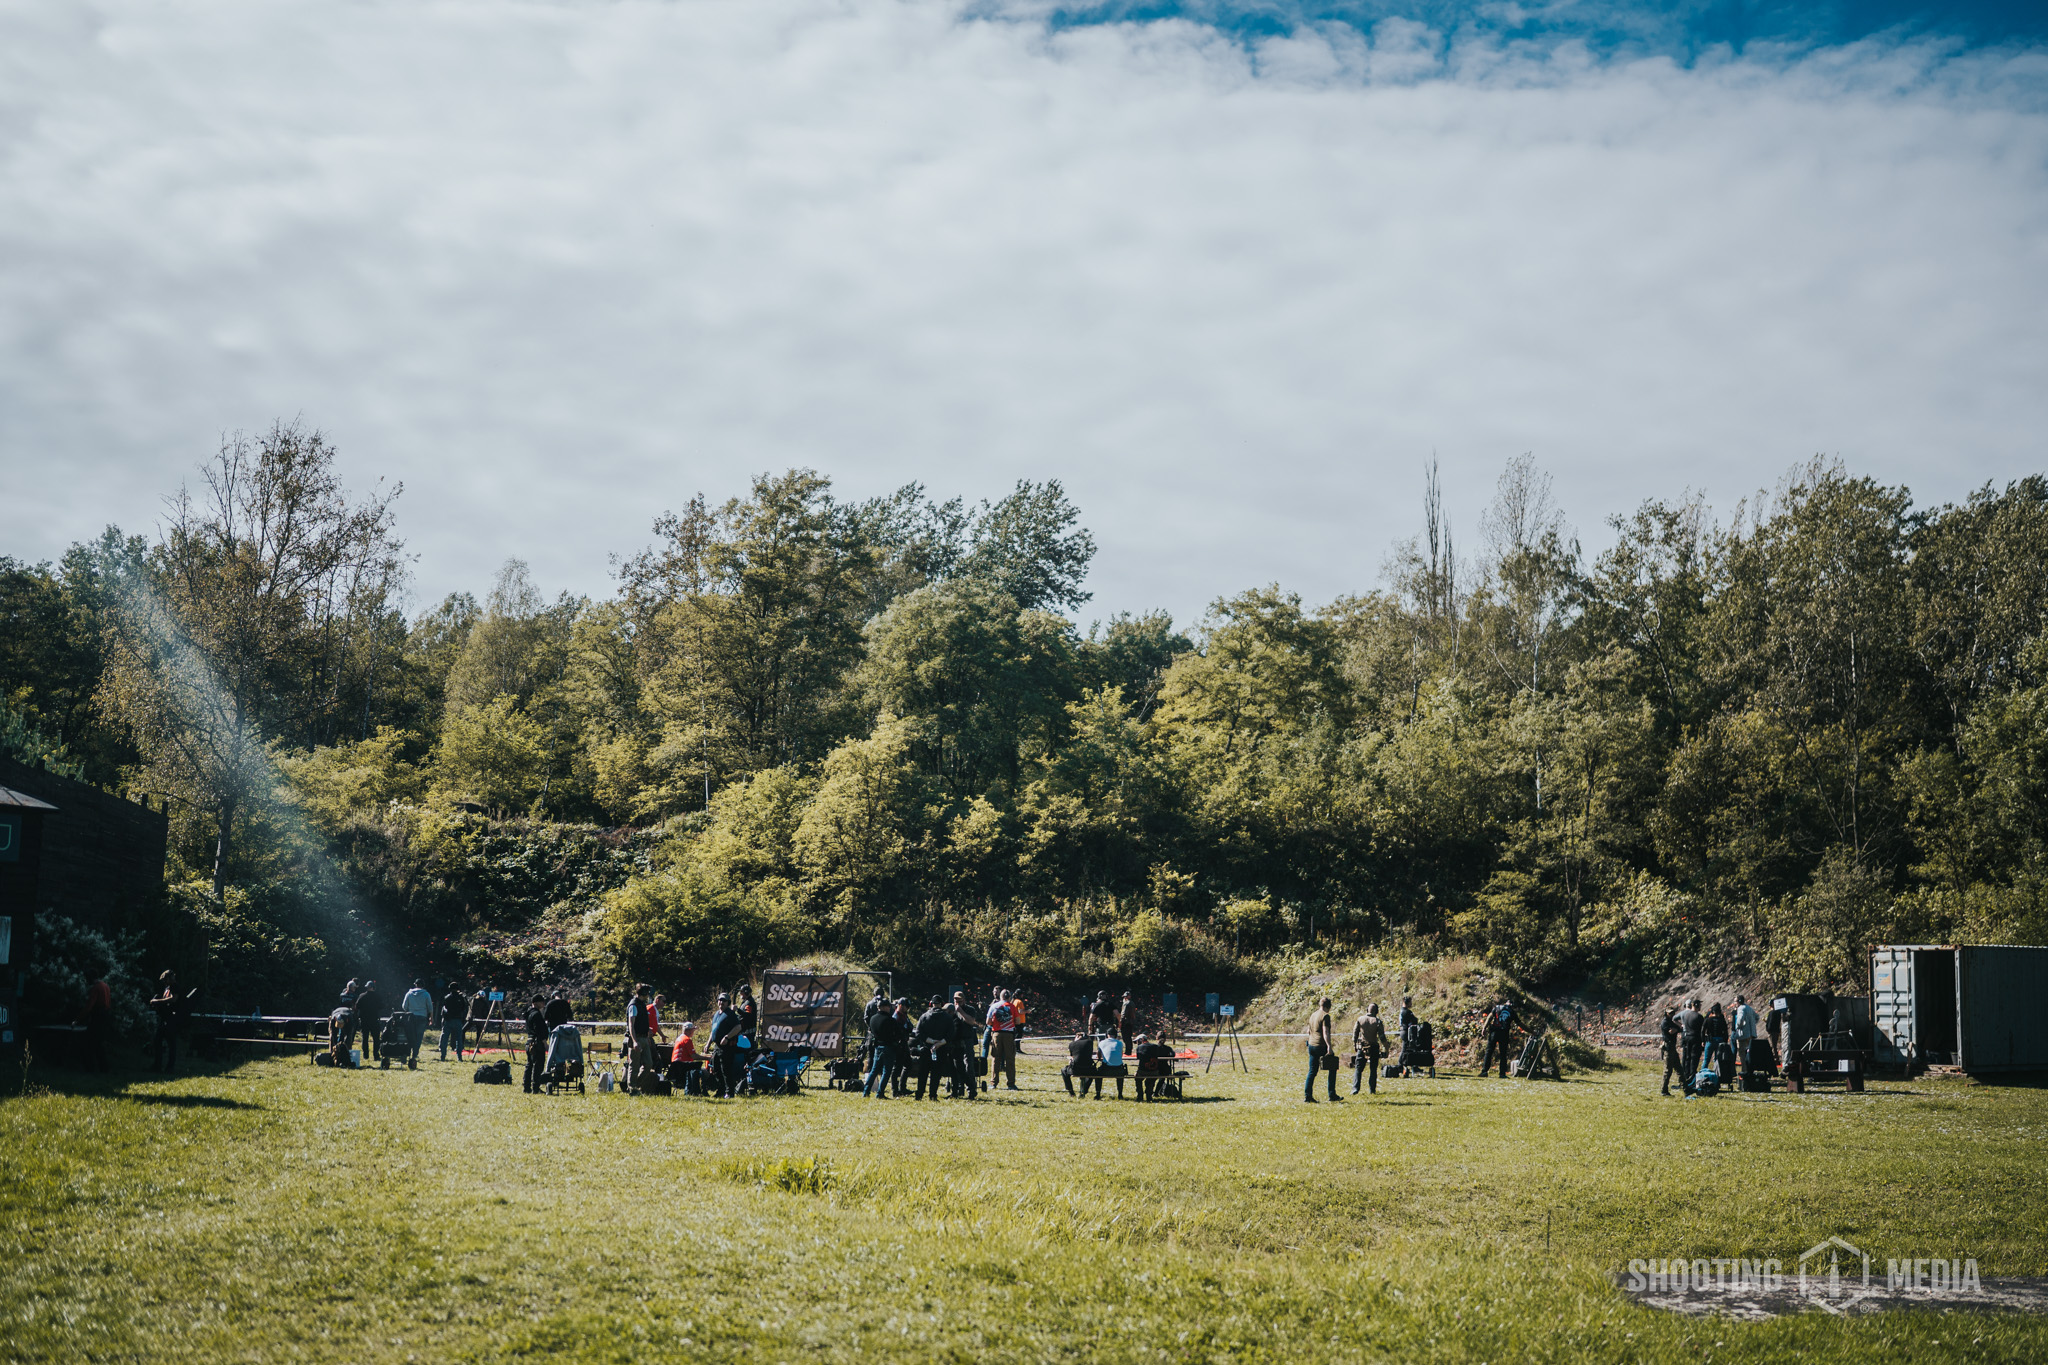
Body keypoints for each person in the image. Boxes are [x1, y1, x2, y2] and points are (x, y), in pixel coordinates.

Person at [866, 997, 909, 1098]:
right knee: (886, 1072)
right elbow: (898, 1034)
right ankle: (880, 1093)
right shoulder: (890, 1020)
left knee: (874, 1071)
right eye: (889, 1006)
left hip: (877, 1047)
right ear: (885, 1007)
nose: (890, 1008)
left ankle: (866, 1091)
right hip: (889, 1047)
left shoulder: (872, 1019)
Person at [913, 995, 952, 1100]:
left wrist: (930, 1041)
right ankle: (933, 1095)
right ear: (942, 1004)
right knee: (936, 1073)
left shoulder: (924, 1016)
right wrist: (939, 1043)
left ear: (931, 1004)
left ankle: (919, 1094)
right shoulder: (947, 1017)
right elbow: (951, 1034)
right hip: (941, 1048)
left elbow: (918, 1033)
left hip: (926, 1048)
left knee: (923, 1073)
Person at [1304, 996, 1339, 1102]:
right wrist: (1329, 1046)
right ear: (1328, 1006)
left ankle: (1308, 1096)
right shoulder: (1325, 1016)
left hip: (1311, 1045)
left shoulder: (1313, 1015)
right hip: (1321, 1045)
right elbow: (1325, 1032)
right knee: (1333, 1067)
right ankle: (1332, 1094)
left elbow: (1308, 1031)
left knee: (1312, 1071)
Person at [986, 989, 1021, 1091]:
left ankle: (993, 1083)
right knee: (1010, 1059)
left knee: (996, 1058)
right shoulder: (1012, 1006)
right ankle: (1011, 1084)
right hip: (1009, 1035)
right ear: (1009, 997)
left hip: (996, 1034)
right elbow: (1018, 1021)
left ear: (1000, 996)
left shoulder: (994, 1006)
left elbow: (988, 1022)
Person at [707, 992, 741, 1096]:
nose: (721, 1002)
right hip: (717, 1046)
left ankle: (729, 1092)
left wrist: (727, 1037)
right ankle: (721, 1090)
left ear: (728, 1003)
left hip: (727, 1047)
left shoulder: (730, 1014)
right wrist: (708, 1044)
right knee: (716, 1069)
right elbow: (713, 1030)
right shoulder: (717, 1014)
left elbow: (738, 1027)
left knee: (726, 1070)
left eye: (724, 1001)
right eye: (720, 1000)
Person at [148, 970, 183, 1073]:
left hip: (172, 1018)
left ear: (169, 978)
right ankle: (157, 1065)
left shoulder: (175, 987)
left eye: (165, 980)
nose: (164, 982)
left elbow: (173, 999)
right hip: (165, 1017)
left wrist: (157, 1001)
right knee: (158, 1040)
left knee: (171, 1043)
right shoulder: (168, 987)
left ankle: (169, 1067)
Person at [624, 984, 655, 1094]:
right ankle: (632, 1088)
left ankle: (636, 1085)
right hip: (636, 1038)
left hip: (644, 1038)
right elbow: (631, 1025)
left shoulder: (641, 1004)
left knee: (649, 1064)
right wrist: (635, 1041)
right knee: (634, 1065)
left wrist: (647, 1033)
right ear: (644, 993)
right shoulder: (633, 1005)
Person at [1351, 1002, 1387, 1095]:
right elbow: (1382, 1037)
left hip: (1362, 1046)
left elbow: (1355, 1033)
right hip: (1373, 1047)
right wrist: (1386, 1048)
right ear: (1376, 1011)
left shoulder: (1360, 1019)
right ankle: (1372, 1089)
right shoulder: (1377, 1021)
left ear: (1367, 1010)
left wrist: (1354, 1044)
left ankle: (1355, 1088)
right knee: (1373, 1069)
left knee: (1358, 1068)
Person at [399, 979, 433, 1069]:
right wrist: (431, 1018)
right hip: (422, 1017)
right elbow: (430, 1007)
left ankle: (406, 1053)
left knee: (409, 1036)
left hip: (411, 1017)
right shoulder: (426, 994)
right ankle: (414, 1054)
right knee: (418, 1037)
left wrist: (409, 1010)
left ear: (415, 984)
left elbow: (404, 1006)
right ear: (423, 985)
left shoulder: (409, 993)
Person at [82, 976, 113, 1072]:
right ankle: (104, 1067)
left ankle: (90, 1067)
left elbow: (90, 1004)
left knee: (89, 1042)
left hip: (98, 1015)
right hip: (105, 1014)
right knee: (99, 1042)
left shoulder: (96, 988)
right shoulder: (105, 986)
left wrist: (80, 1017)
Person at [1479, 997, 1515, 1078]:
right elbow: (1520, 1023)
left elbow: (1489, 1017)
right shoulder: (1511, 1011)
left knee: (1489, 1052)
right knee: (1503, 1054)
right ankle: (1502, 1074)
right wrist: (1531, 1031)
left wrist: (1484, 1028)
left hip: (1494, 1032)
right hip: (1504, 1033)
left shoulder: (1497, 1007)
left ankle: (1484, 1071)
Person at [1133, 1033, 1175, 1101]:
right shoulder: (1155, 1046)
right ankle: (1149, 1095)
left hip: (1142, 1071)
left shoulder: (1139, 1047)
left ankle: (1140, 1095)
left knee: (1137, 1078)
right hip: (1154, 1071)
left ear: (1142, 1040)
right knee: (1150, 1080)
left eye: (1137, 1041)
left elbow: (1139, 1058)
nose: (1137, 1043)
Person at [1675, 998, 1705, 1090]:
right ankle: (1692, 1078)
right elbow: (1702, 1030)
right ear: (1697, 1006)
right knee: (1694, 1059)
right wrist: (1703, 1040)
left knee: (1687, 1058)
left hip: (1686, 1037)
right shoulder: (1699, 1017)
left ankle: (1685, 1077)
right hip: (1695, 1038)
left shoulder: (1685, 1014)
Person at [1062, 1031, 1101, 1098]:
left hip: (1075, 1069)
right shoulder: (1090, 1042)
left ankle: (1071, 1091)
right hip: (1088, 1069)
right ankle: (1084, 1090)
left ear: (1077, 1036)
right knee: (1094, 1071)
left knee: (1063, 1070)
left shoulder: (1072, 1044)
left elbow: (1072, 1056)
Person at [522, 997, 549, 1093]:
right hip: (537, 1043)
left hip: (529, 1041)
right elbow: (539, 1030)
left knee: (529, 1065)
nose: (543, 1003)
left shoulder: (529, 1013)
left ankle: (526, 1087)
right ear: (536, 1003)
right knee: (538, 1066)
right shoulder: (537, 1014)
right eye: (542, 1002)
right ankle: (535, 1088)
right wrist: (545, 1043)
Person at [667, 1021, 702, 1091]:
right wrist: (707, 1058)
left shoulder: (679, 1038)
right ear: (689, 1030)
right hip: (683, 1065)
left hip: (675, 1065)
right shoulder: (687, 1040)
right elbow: (694, 1056)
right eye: (693, 1030)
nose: (693, 1032)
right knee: (699, 1066)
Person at [439, 981, 470, 1061]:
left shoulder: (447, 997)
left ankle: (443, 1056)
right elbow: (464, 1008)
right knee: (459, 1039)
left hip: (448, 1020)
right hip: (458, 1020)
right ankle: (459, 1057)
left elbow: (444, 1008)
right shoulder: (461, 998)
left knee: (445, 1038)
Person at [1731, 994, 1759, 1076]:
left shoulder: (1741, 1008)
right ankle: (1750, 1069)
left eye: (1736, 1001)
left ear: (1739, 1001)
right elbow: (1757, 1017)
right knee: (1749, 1053)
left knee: (1742, 1053)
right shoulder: (1749, 1008)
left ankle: (1744, 1070)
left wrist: (1737, 1027)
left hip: (1743, 1035)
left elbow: (1739, 1020)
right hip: (1751, 1034)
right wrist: (1752, 1024)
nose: (1735, 1003)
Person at [354, 980, 382, 1063]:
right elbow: (381, 1006)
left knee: (365, 1038)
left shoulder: (362, 996)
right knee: (376, 1039)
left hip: (364, 1020)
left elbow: (357, 1006)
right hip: (374, 1019)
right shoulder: (377, 996)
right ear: (373, 988)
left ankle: (365, 1055)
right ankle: (376, 1055)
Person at [1096, 1030, 1128, 1099]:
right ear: (1116, 1035)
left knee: (1097, 1075)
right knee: (1120, 1077)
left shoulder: (1102, 1042)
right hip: (1119, 1070)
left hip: (1106, 1070)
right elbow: (1120, 1054)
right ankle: (1120, 1094)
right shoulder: (1120, 1043)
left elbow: (1098, 1055)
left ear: (1107, 1035)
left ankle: (1098, 1094)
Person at [1659, 1008, 1683, 1097]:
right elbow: (1671, 1031)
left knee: (1679, 1068)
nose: (1672, 1014)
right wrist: (1677, 1028)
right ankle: (1664, 1090)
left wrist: (1676, 1028)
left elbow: (1680, 1028)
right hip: (1668, 1047)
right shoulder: (1665, 1022)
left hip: (1672, 1047)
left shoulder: (1671, 1022)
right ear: (1666, 1013)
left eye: (1673, 1013)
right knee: (1668, 1070)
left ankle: (1685, 1087)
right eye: (1670, 1013)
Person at [1703, 1003, 1730, 1079]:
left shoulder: (1708, 1019)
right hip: (1720, 1040)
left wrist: (1703, 1040)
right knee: (1717, 1060)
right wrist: (1725, 1041)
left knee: (1706, 1059)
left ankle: (1702, 1075)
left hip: (1710, 1040)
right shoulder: (1721, 1020)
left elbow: (1702, 1030)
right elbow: (1725, 1031)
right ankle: (1717, 1076)